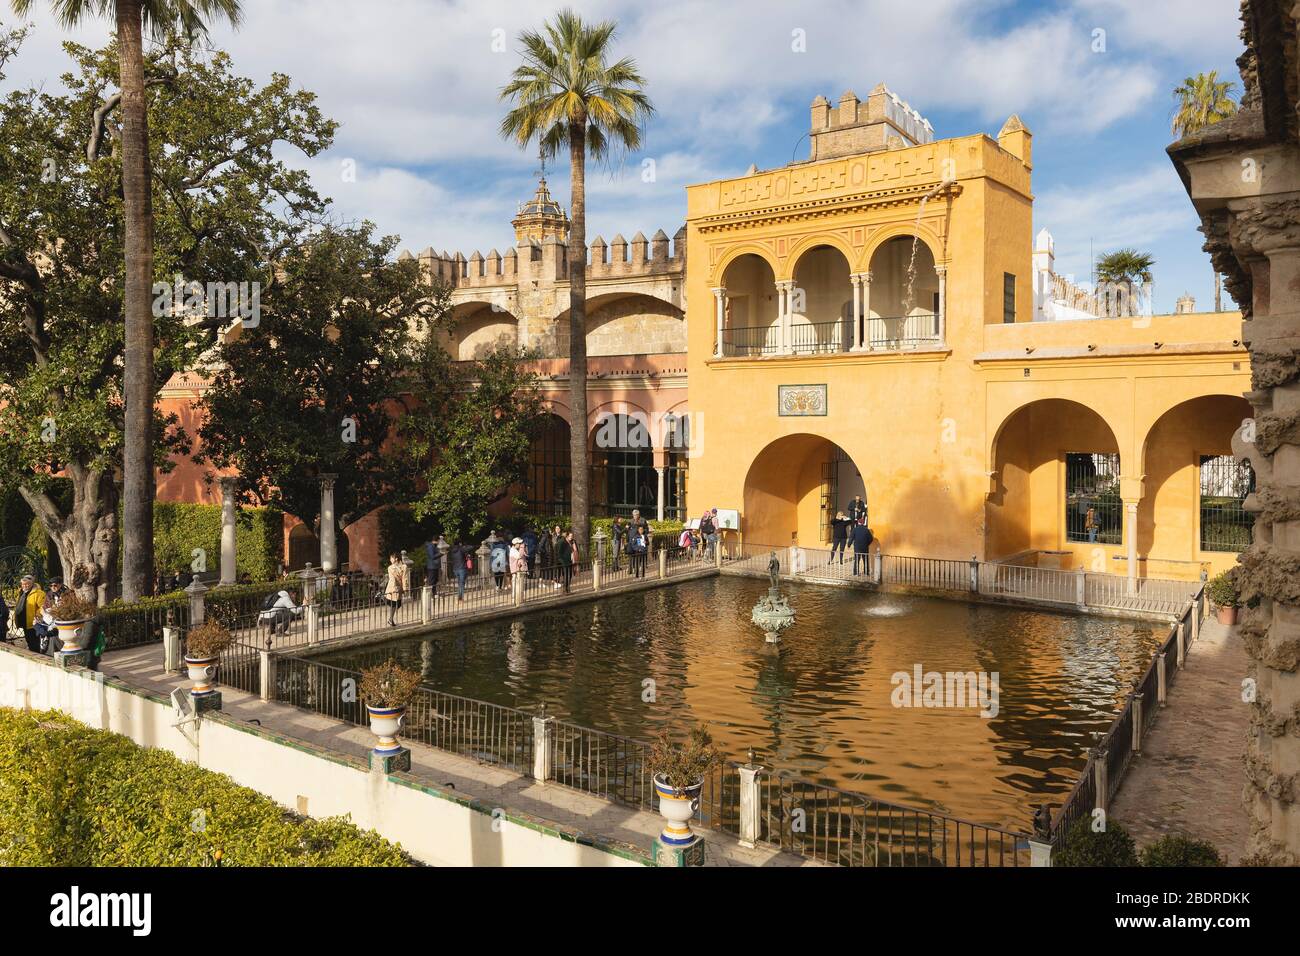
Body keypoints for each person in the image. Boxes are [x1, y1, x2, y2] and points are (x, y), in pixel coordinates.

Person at [12, 575, 45, 653]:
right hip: (24, 622)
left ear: (32, 584)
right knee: (28, 640)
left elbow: (42, 607)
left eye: (27, 584)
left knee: (34, 642)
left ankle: (36, 656)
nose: (24, 586)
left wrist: (36, 616)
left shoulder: (39, 593)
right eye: (23, 584)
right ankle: (32, 652)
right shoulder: (22, 592)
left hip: (33, 623)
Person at [383, 553, 407, 626]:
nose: (390, 560)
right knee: (394, 604)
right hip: (392, 587)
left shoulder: (404, 566)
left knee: (398, 604)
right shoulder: (390, 568)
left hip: (399, 587)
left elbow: (404, 578)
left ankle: (390, 619)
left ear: (396, 558)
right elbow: (392, 579)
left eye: (391, 558)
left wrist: (405, 588)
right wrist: (395, 588)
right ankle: (391, 620)